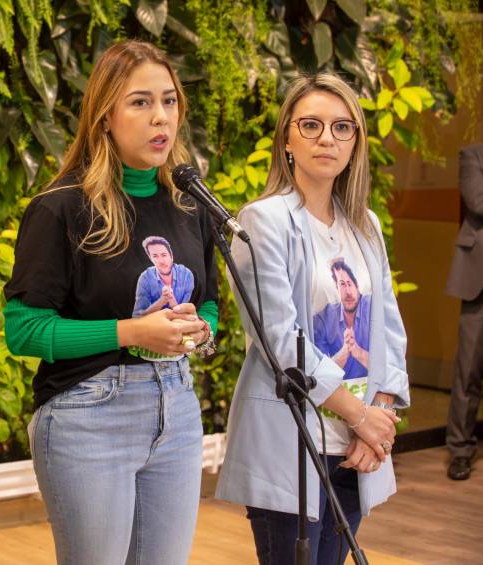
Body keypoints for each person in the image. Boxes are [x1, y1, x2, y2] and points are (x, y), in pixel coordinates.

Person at [3, 40, 219, 564]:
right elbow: (24, 331)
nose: (160, 117)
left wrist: (199, 330)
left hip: (177, 410)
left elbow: (209, 303)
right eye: (140, 102)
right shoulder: (61, 209)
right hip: (88, 416)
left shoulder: (191, 205)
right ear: (105, 117)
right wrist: (131, 332)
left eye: (169, 101)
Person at [215, 73, 409, 565]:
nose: (328, 138)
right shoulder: (263, 221)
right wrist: (360, 416)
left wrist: (381, 415)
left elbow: (388, 329)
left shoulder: (366, 225)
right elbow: (280, 339)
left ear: (355, 143)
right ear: (287, 140)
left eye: (342, 127)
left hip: (358, 442)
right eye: (312, 125)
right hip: (294, 436)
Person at [445, 142, 483, 481]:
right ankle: (460, 450)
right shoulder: (473, 154)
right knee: (468, 370)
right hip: (478, 283)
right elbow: (477, 201)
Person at [133, 235, 195, 317]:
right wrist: (162, 301)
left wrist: (171, 300)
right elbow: (137, 317)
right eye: (155, 256)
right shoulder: (145, 278)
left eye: (164, 255)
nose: (161, 261)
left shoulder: (186, 275)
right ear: (150, 258)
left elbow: (185, 314)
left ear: (171, 255)